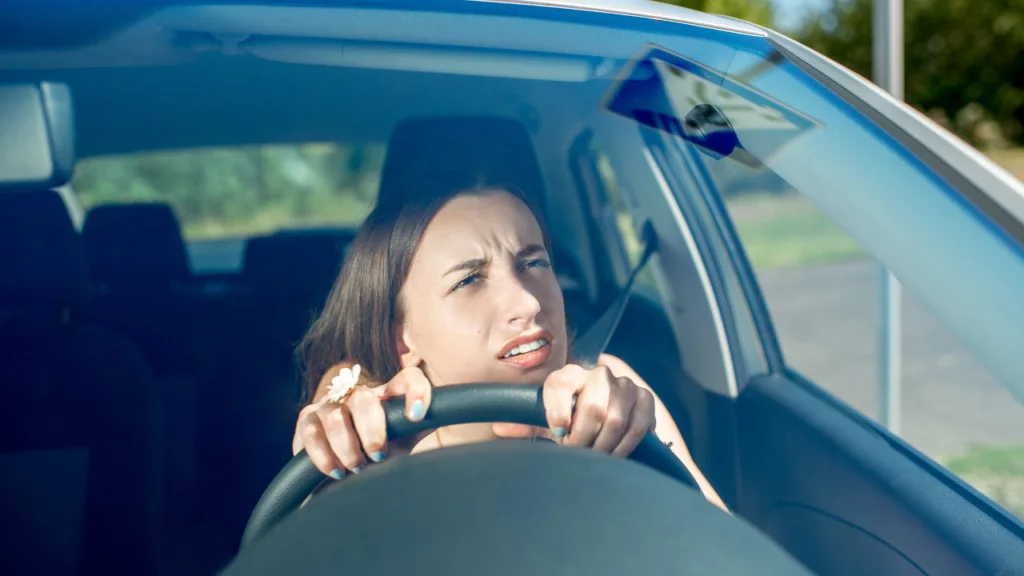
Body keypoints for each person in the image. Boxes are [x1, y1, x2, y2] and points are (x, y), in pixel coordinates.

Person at [291, 171, 727, 512]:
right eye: (468, 280)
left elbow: (725, 550)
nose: (527, 301)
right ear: (403, 340)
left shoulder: (609, 385)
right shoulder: (369, 448)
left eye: (534, 262)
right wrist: (341, 487)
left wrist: (630, 454)